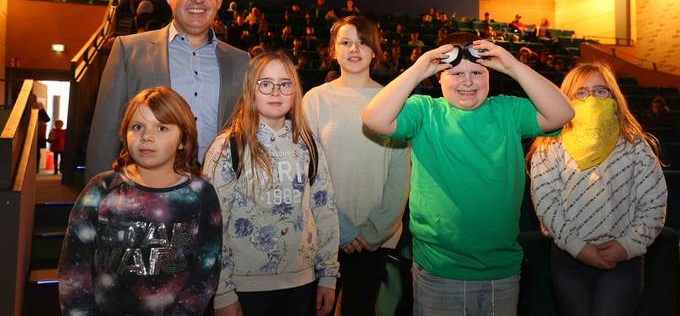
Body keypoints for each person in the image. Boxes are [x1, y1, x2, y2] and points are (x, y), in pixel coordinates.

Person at [362, 32, 574, 315]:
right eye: (456, 73)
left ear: (490, 73)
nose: (468, 81)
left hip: (501, 269)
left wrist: (512, 65)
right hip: (439, 270)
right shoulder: (425, 111)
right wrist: (417, 69)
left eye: (477, 72)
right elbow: (374, 118)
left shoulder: (507, 110)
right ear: (438, 76)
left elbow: (562, 112)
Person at [58, 86, 222, 315]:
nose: (147, 136)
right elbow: (74, 270)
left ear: (183, 139)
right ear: (125, 135)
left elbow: (205, 272)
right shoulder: (101, 189)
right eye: (137, 127)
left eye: (162, 127)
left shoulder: (201, 195)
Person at [85, 0, 250, 181]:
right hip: (146, 194)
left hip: (219, 195)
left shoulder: (242, 61)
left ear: (219, 0)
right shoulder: (128, 51)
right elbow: (106, 132)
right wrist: (97, 197)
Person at [203, 52, 339, 316]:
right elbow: (212, 225)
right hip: (245, 288)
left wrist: (328, 275)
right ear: (250, 89)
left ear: (294, 91)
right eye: (265, 83)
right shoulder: (228, 147)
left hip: (303, 283)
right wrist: (223, 292)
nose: (276, 91)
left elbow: (325, 210)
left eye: (285, 84)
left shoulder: (308, 144)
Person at [528, 62, 666, 316]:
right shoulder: (550, 146)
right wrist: (579, 248)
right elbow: (548, 205)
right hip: (569, 257)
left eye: (601, 91)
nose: (591, 98)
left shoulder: (635, 145)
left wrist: (627, 246)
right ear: (565, 99)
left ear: (614, 97)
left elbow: (654, 202)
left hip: (624, 258)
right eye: (581, 92)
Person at [303, 16, 410, 315]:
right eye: (346, 42)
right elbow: (310, 170)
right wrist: (342, 229)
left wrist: (374, 231)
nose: (354, 49)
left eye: (363, 42)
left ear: (375, 51)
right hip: (325, 232)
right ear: (333, 51)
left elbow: (400, 174)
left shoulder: (393, 100)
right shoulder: (314, 100)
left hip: (375, 239)